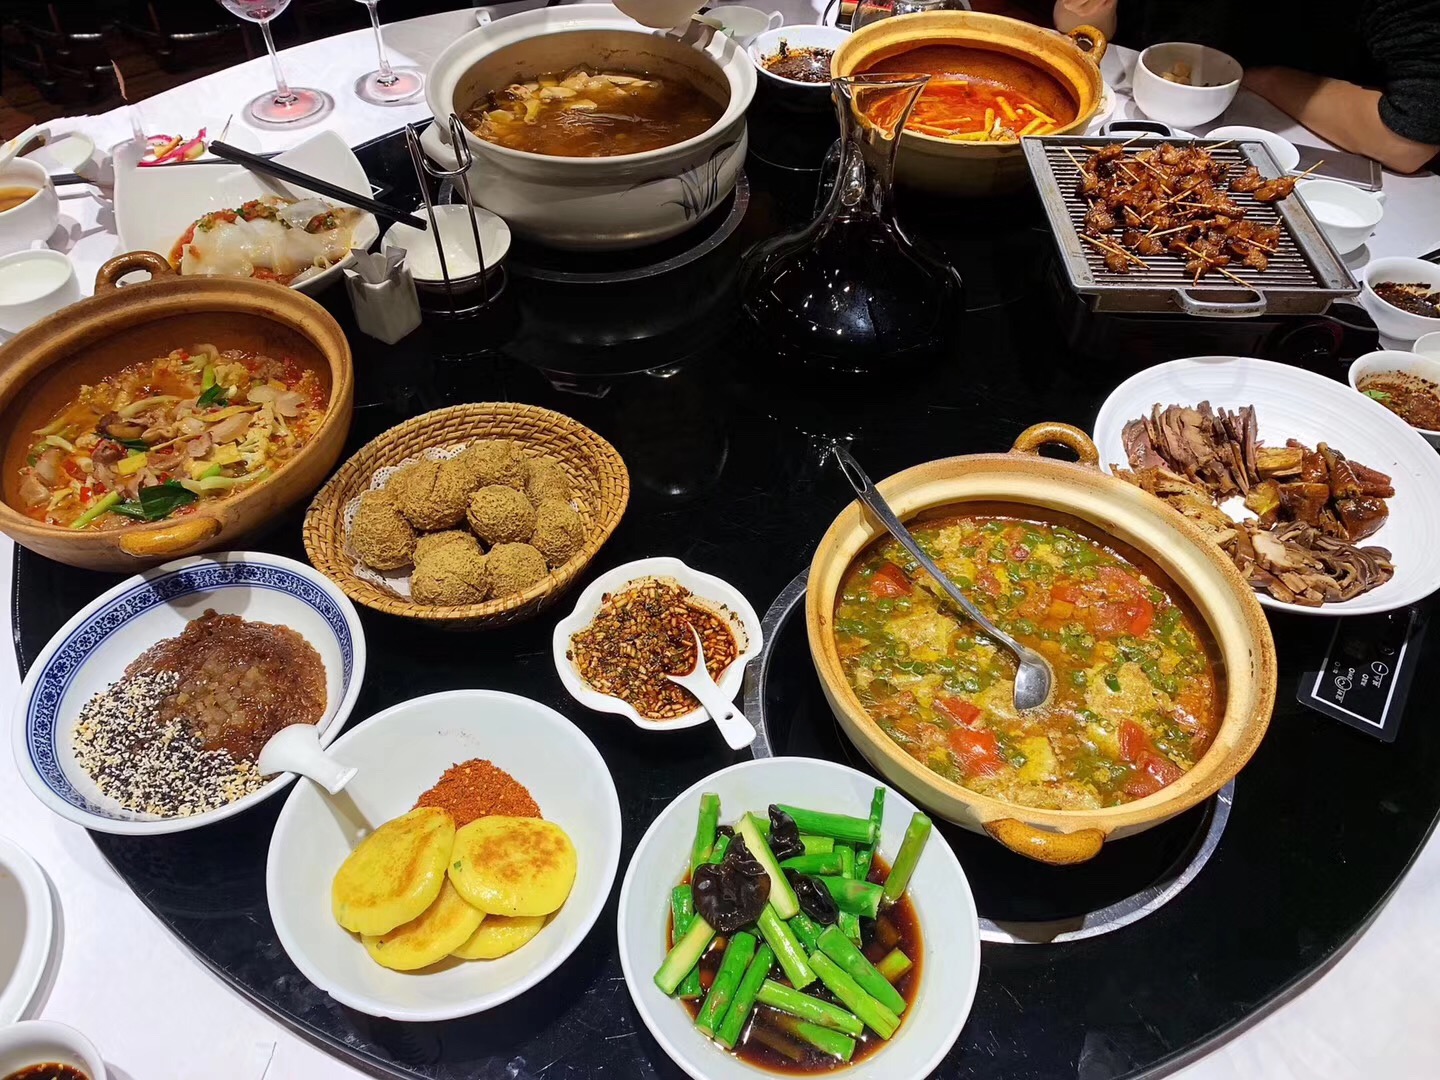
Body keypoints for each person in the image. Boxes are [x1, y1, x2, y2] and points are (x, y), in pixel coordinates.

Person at [1053, 0, 1440, 173]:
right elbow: (1080, 30)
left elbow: (1407, 142)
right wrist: (1089, 12)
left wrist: (1260, 79)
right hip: (1122, 131)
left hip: (1296, 171)